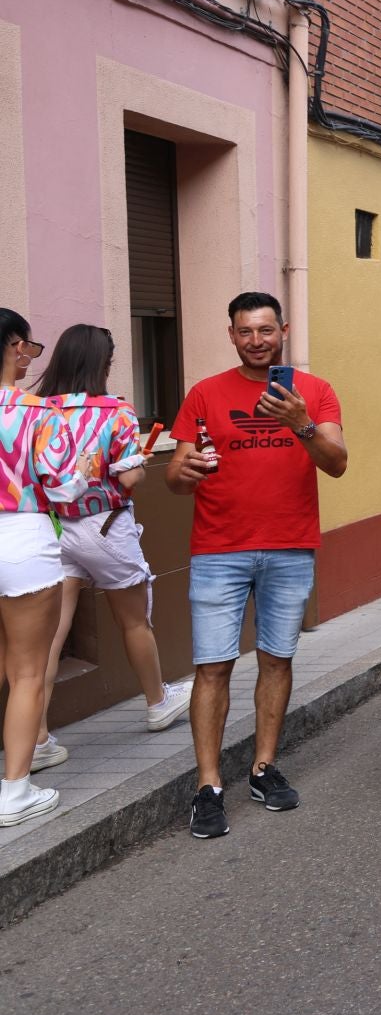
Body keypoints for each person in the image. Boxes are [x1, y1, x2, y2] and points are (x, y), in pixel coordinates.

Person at [165, 292, 346, 840]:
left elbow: (336, 464)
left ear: (283, 330)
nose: (257, 340)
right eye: (245, 332)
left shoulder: (314, 391)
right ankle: (209, 786)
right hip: (219, 549)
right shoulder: (205, 393)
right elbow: (174, 476)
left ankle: (264, 768)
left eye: (266, 330)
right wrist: (186, 469)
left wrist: (301, 423)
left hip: (289, 547)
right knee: (213, 665)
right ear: (231, 335)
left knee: (276, 659)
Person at [30, 326, 188, 771]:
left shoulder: (39, 409)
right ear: (102, 364)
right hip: (106, 527)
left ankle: (37, 736)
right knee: (134, 621)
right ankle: (158, 701)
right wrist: (136, 461)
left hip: (53, 529)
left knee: (49, 637)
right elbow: (130, 479)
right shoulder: (115, 411)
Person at [0, 310, 80, 827]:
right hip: (23, 539)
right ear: (12, 345)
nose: (31, 357)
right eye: (29, 348)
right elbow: (65, 487)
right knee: (27, 672)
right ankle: (14, 792)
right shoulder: (38, 412)